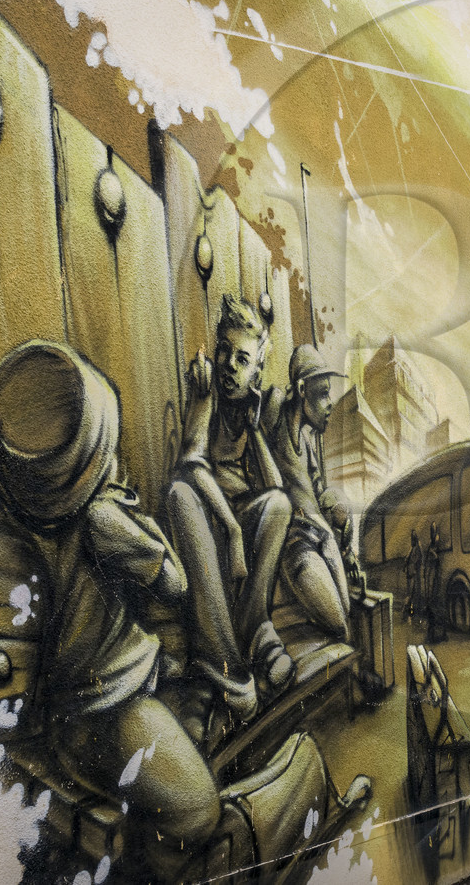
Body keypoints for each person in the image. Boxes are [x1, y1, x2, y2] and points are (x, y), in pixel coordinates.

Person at [0, 341, 219, 879]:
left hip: (65, 708)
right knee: (198, 810)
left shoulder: (23, 514)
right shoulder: (103, 520)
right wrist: (134, 513)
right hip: (106, 714)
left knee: (187, 701)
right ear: (94, 461)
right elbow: (176, 585)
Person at [168, 296, 294, 733]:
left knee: (279, 507)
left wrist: (256, 428)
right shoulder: (209, 396)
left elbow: (274, 487)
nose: (228, 366)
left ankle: (256, 629)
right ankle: (227, 669)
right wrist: (234, 529)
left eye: (243, 360)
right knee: (180, 497)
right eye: (224, 351)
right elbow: (192, 465)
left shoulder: (246, 411)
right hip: (212, 522)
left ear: (256, 373)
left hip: (238, 516)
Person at [271, 344, 352, 640]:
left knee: (346, 609)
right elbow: (264, 402)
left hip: (323, 538)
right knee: (337, 622)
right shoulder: (275, 414)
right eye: (323, 394)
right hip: (296, 547)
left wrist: (343, 530)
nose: (330, 403)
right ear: (302, 389)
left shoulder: (306, 444)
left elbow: (319, 493)